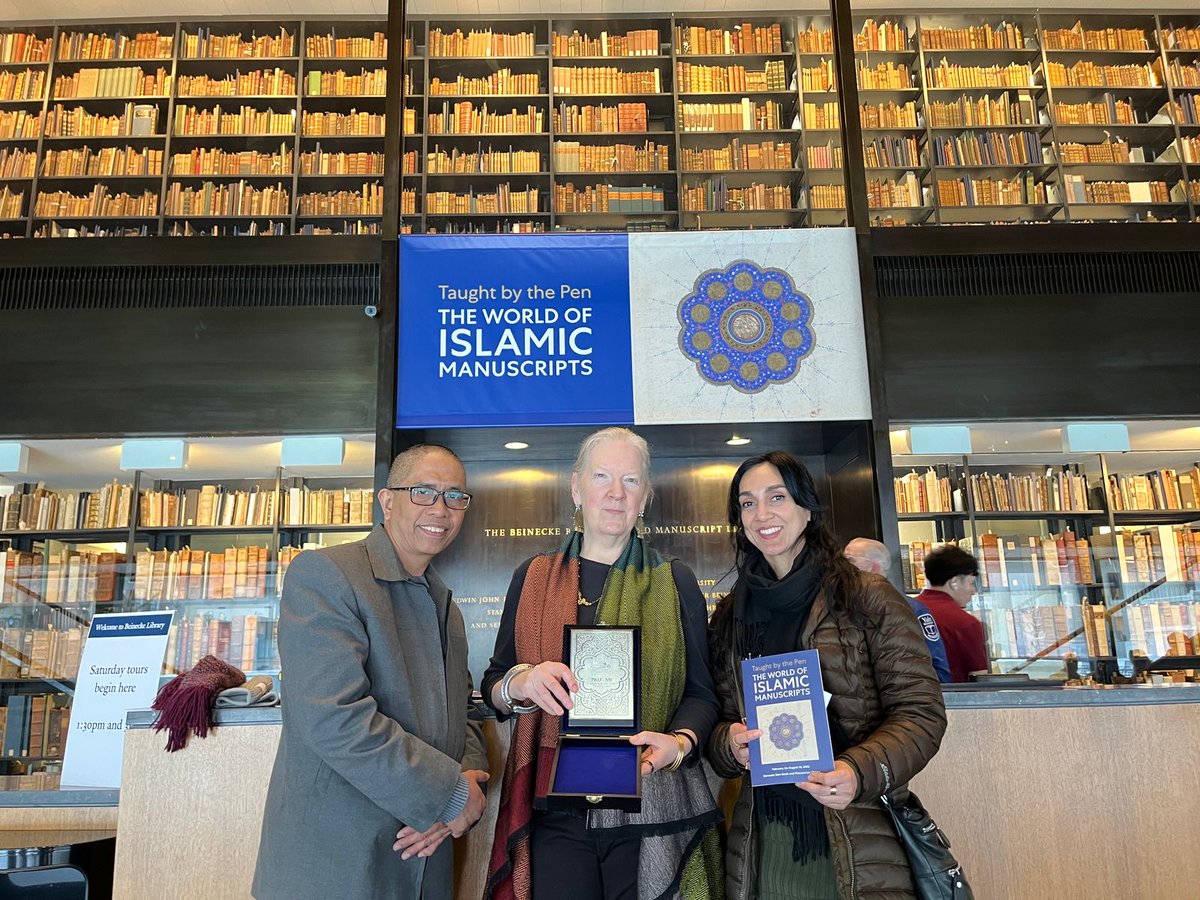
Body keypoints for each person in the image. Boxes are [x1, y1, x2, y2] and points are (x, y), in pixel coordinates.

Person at [483, 427, 723, 900]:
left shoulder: (675, 581)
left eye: (631, 481)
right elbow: (495, 684)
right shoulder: (531, 577)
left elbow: (702, 694)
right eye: (602, 477)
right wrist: (522, 682)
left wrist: (680, 741)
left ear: (646, 496)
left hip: (649, 806)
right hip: (555, 811)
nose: (616, 493)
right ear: (576, 487)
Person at [707, 451, 947, 900]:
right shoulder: (729, 615)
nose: (762, 514)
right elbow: (718, 725)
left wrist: (858, 770)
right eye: (747, 503)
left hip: (854, 836)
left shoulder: (867, 598)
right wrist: (729, 744)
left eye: (776, 497)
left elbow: (921, 713)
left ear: (805, 506)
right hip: (763, 839)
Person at [252, 445, 489, 900]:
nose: (440, 509)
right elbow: (333, 718)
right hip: (337, 865)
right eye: (424, 491)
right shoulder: (327, 573)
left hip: (424, 860)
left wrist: (471, 779)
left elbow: (464, 711)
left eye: (455, 496)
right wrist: (451, 796)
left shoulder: (446, 604)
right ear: (387, 500)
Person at [845, 536, 952, 684]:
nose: (842, 567)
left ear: (873, 568)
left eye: (850, 560)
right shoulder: (840, 608)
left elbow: (939, 671)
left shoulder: (913, 610)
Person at [915, 545, 989, 683]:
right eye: (971, 583)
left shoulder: (904, 609)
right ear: (954, 582)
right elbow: (980, 680)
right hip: (953, 701)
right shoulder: (966, 623)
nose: (973, 591)